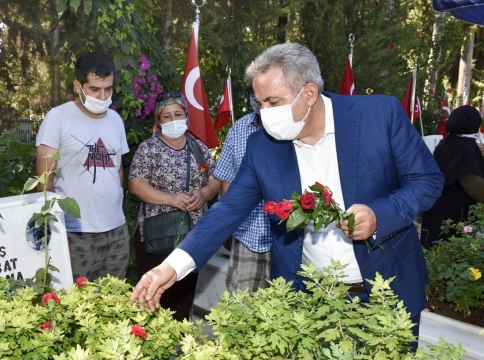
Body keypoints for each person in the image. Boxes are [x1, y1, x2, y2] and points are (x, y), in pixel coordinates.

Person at [130, 43, 443, 350]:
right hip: (308, 303)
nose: (264, 114)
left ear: (308, 93)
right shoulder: (262, 147)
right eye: (259, 103)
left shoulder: (378, 116)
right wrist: (170, 267)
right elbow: (226, 213)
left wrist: (378, 216)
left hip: (387, 294)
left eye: (272, 102)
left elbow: (426, 180)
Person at [36, 51, 129, 281]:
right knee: (75, 309)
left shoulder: (116, 121)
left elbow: (118, 171)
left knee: (114, 304)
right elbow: (44, 183)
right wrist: (58, 237)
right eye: (95, 89)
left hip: (116, 232)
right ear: (78, 86)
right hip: (75, 234)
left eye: (108, 89)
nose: (103, 95)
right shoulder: (58, 118)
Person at [128, 90, 220, 321]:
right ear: (159, 121)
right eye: (166, 116)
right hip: (156, 236)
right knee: (152, 296)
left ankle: (178, 349)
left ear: (186, 116)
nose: (173, 120)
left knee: (183, 297)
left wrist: (203, 193)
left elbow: (215, 180)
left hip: (191, 237)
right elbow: (135, 185)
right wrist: (171, 199)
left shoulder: (199, 148)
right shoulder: (149, 149)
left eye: (178, 114)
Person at [214, 86, 272, 292]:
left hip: (286, 238)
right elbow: (227, 181)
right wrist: (226, 226)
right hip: (247, 234)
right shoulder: (239, 129)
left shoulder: (292, 128)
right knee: (241, 307)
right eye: (256, 98)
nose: (261, 104)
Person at [421, 105, 484, 248]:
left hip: (437, 207)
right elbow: (473, 184)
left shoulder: (448, 142)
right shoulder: (466, 148)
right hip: (455, 212)